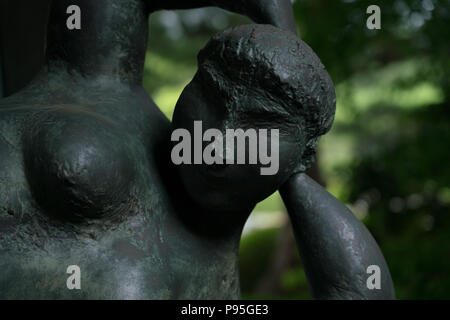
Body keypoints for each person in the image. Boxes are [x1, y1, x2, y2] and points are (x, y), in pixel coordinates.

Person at [0, 0, 394, 299]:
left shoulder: (213, 286)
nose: (216, 143)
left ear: (303, 155)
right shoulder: (100, 80)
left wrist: (295, 180)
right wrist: (279, 24)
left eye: (263, 125)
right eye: (211, 97)